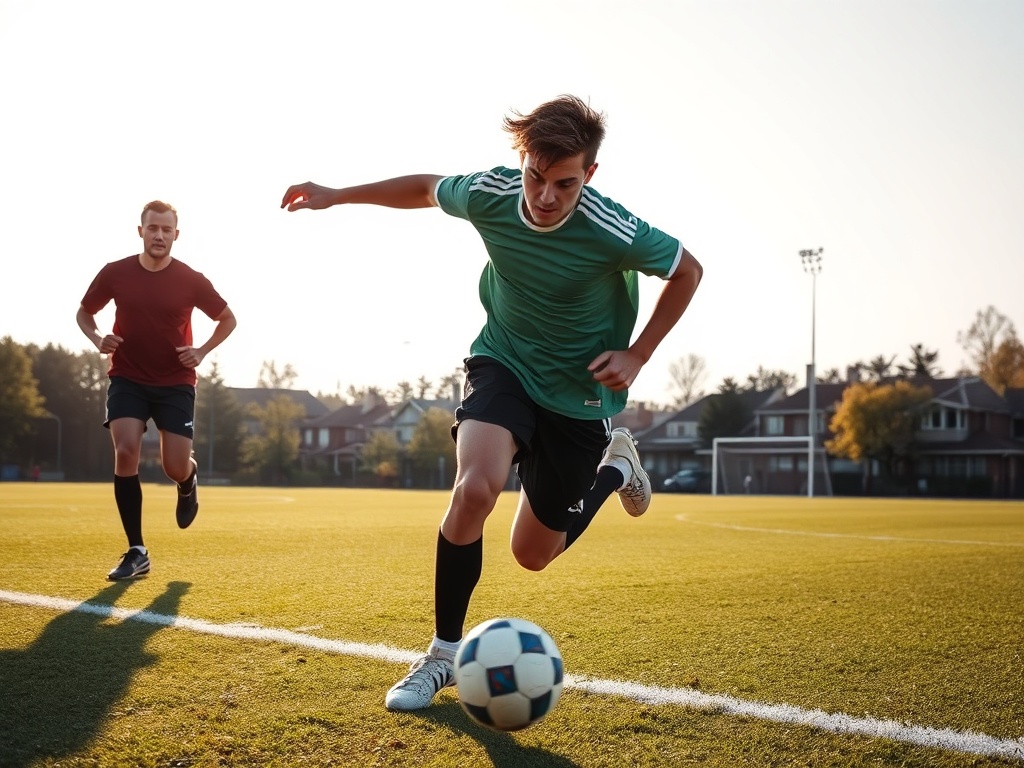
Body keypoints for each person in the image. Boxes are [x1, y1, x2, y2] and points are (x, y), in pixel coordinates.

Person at [281, 95, 703, 711]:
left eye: (564, 182)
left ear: (589, 175)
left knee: (532, 555)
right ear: (522, 161)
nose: (545, 196)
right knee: (474, 490)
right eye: (535, 175)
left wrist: (638, 354)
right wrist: (337, 194)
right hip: (503, 361)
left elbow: (688, 271)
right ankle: (441, 655)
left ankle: (616, 468)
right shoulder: (491, 193)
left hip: (580, 393)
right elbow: (427, 188)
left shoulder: (614, 230)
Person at [77, 200, 237, 581]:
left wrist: (201, 351)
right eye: (153, 228)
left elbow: (228, 318)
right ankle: (137, 550)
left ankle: (188, 479)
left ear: (175, 235)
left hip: (175, 383)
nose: (159, 235)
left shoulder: (191, 279)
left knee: (173, 465)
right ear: (141, 231)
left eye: (166, 230)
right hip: (127, 377)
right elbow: (84, 312)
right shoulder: (115, 273)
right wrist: (97, 337)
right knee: (126, 449)